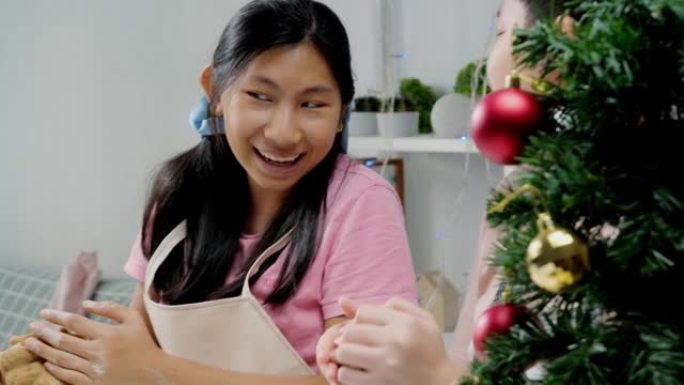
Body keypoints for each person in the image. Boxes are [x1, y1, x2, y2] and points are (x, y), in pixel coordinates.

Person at [22, 1, 417, 384]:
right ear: (215, 92)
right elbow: (137, 346)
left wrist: (158, 373)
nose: (284, 133)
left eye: (312, 104)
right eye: (260, 96)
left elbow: (370, 382)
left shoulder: (361, 204)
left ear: (341, 112)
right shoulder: (179, 192)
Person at [316, 1, 571, 384]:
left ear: (563, 39)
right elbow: (465, 356)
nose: (488, 64)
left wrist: (432, 374)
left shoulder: (620, 207)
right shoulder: (514, 192)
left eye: (502, 33)